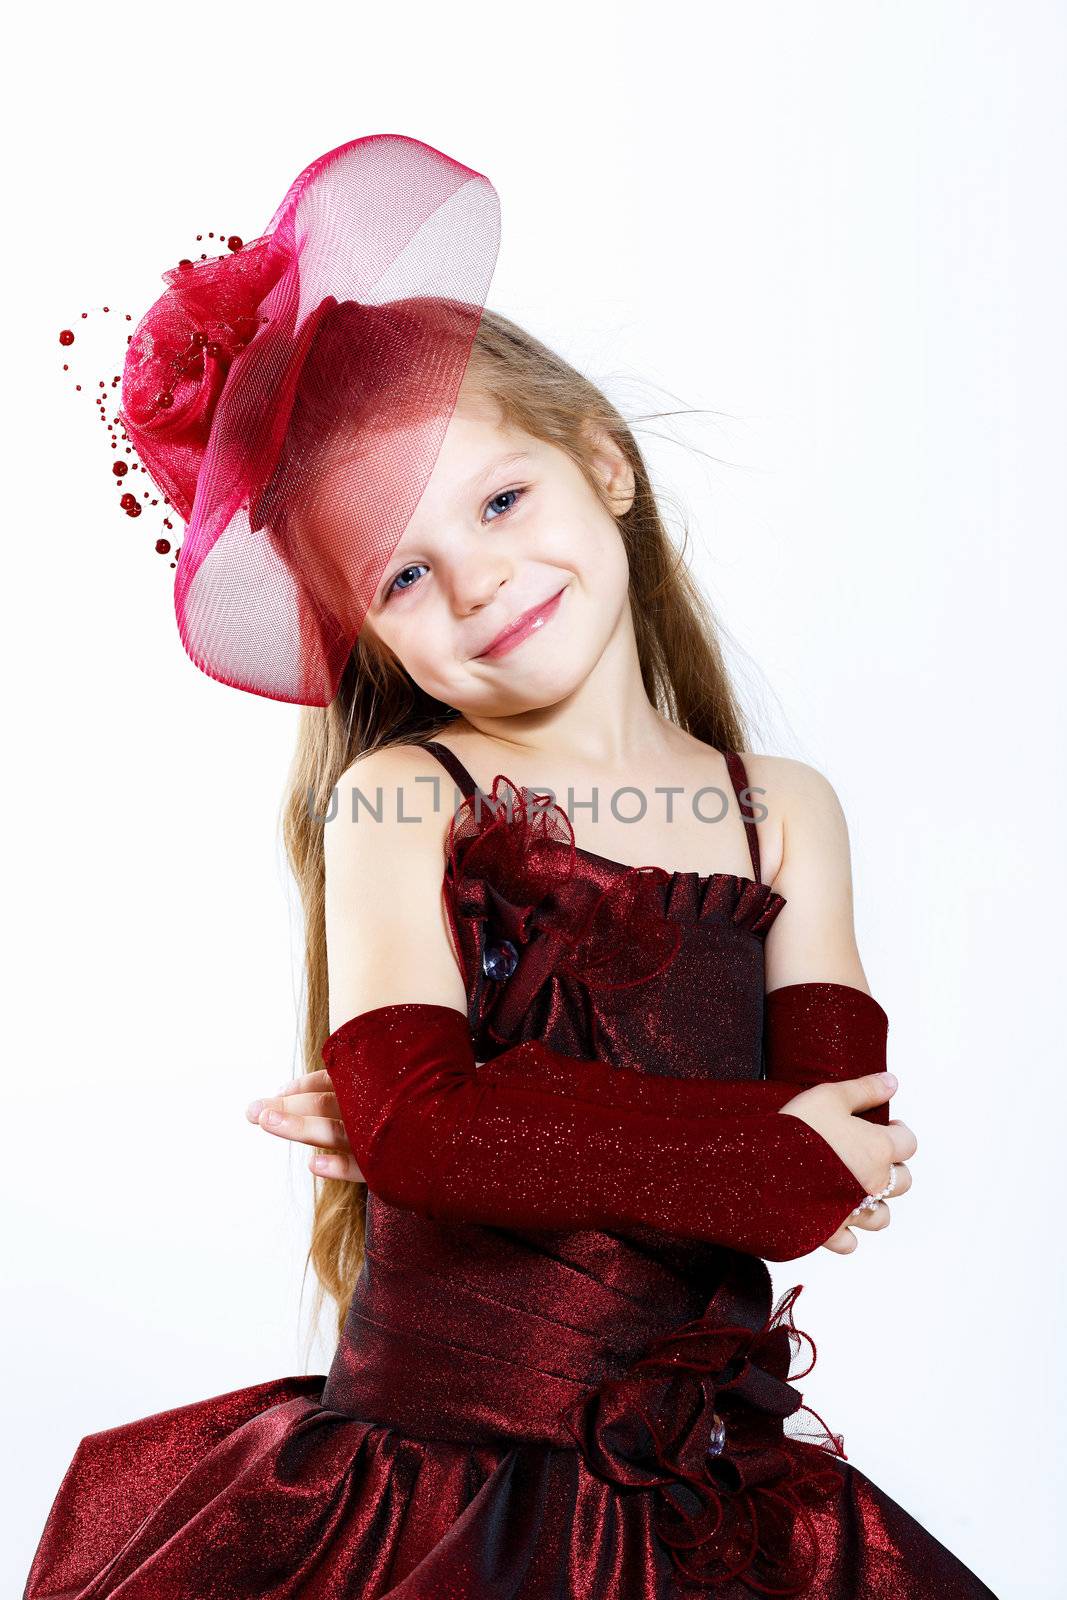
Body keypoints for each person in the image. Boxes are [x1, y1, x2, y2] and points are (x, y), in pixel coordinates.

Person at [26, 135, 998, 1598]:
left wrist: (510, 1122)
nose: (478, 582)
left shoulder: (780, 811)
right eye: (403, 575)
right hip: (433, 1495)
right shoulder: (402, 799)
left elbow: (826, 1166)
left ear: (602, 462)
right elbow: (443, 1131)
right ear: (370, 636)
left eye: (499, 504)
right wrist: (458, 1129)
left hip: (709, 1495)